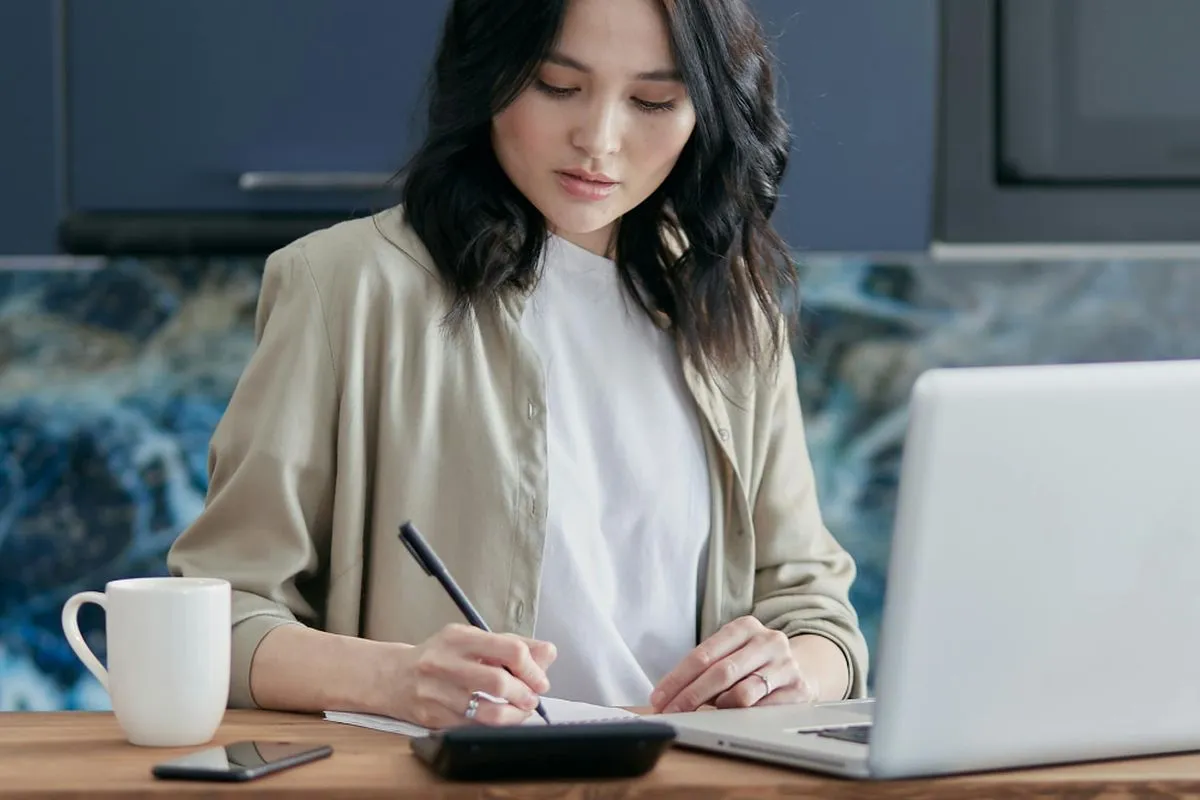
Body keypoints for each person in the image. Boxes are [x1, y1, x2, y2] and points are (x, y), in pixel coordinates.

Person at [167, 0, 869, 729]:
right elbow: (215, 618)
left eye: (653, 101)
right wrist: (394, 679)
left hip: (685, 771)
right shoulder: (347, 285)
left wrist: (794, 670)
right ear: (490, 78)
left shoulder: (734, 310)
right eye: (556, 86)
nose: (598, 139)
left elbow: (817, 614)